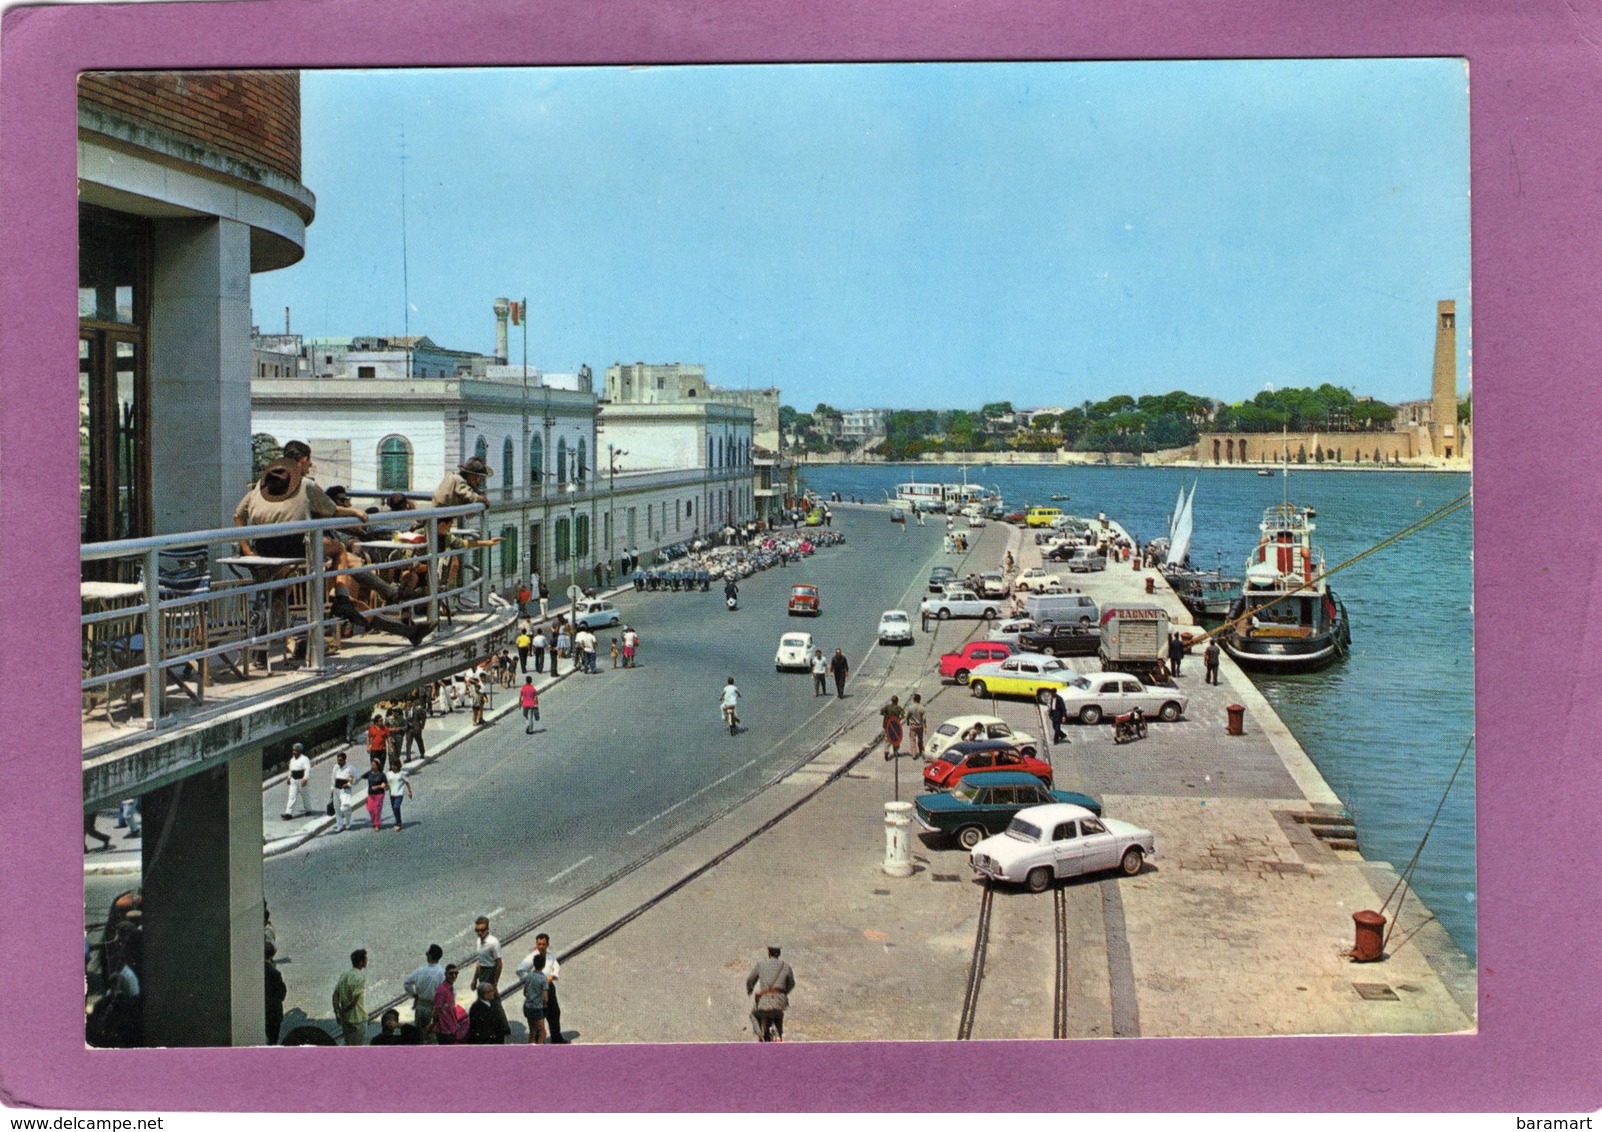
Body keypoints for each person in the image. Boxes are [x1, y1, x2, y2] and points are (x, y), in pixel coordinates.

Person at [745, 946, 795, 1043]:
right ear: (779, 953)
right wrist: (784, 993)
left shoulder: (761, 965)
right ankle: (778, 1036)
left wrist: (750, 990)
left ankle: (761, 1035)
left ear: (769, 953)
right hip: (781, 1001)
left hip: (765, 1001)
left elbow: (750, 980)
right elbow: (791, 983)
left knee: (753, 1015)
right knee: (778, 1014)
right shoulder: (786, 966)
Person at [402, 943, 447, 1037]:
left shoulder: (420, 970)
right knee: (431, 1035)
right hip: (433, 1007)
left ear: (430, 956)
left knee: (418, 1035)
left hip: (420, 1005)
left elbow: (407, 983)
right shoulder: (442, 973)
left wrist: (414, 994)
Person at [332, 949, 368, 1046]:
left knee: (347, 1044)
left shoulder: (344, 975)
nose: (367, 960)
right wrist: (343, 1010)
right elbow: (354, 1002)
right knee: (357, 1050)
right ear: (361, 962)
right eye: (365, 959)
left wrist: (337, 1012)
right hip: (357, 1019)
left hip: (346, 1020)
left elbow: (335, 995)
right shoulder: (360, 977)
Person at [515, 951, 550, 1044]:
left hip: (527, 1007)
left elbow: (525, 992)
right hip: (537, 1008)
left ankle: (530, 1050)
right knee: (543, 1033)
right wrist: (545, 1005)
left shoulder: (529, 976)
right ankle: (539, 1053)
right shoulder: (543, 979)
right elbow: (545, 997)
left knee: (532, 1031)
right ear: (543, 965)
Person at [430, 964, 469, 1044]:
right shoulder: (442, 990)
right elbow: (436, 1011)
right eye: (451, 973)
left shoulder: (450, 989)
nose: (454, 976)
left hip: (451, 1027)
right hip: (445, 1030)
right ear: (446, 974)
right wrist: (436, 1025)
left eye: (456, 973)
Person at [470, 916, 502, 993]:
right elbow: (480, 962)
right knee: (485, 999)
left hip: (490, 972)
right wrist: (474, 979)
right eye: (477, 930)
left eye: (482, 930)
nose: (479, 933)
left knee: (489, 997)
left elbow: (499, 964)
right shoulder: (478, 941)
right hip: (482, 973)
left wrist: (495, 982)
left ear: (487, 929)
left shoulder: (493, 942)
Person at [282, 742, 313, 820]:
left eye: (295, 750)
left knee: (305, 796)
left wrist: (305, 778)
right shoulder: (292, 759)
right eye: (293, 750)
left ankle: (308, 809)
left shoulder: (304, 759)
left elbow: (307, 769)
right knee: (292, 797)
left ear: (299, 751)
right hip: (294, 780)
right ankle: (288, 813)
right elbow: (290, 770)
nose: (293, 752)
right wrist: (289, 778)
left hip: (301, 779)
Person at [264, 941, 287, 1045]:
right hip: (273, 1012)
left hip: (261, 1011)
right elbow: (282, 993)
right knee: (272, 1039)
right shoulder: (274, 973)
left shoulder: (256, 970)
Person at [329, 750, 356, 832]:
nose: (338, 762)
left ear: (344, 760)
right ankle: (339, 825)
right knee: (337, 808)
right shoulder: (336, 767)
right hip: (336, 790)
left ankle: (348, 822)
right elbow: (333, 779)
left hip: (345, 790)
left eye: (340, 760)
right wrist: (332, 790)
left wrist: (349, 784)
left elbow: (355, 778)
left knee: (344, 808)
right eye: (337, 760)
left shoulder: (350, 768)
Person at [385, 754, 413, 831]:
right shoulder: (389, 774)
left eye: (395, 765)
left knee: (396, 807)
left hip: (399, 794)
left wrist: (410, 792)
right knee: (394, 809)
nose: (393, 767)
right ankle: (398, 821)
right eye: (392, 765)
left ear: (398, 766)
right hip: (392, 794)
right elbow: (387, 783)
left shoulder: (402, 774)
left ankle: (398, 823)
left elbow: (407, 782)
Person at [360, 755, 388, 831]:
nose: (372, 766)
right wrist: (353, 779)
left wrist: (378, 786)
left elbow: (385, 784)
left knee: (377, 809)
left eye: (374, 765)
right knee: (370, 809)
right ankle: (374, 821)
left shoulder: (382, 775)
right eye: (371, 764)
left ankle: (377, 824)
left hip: (379, 794)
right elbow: (361, 777)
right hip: (371, 794)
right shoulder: (369, 773)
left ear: (378, 766)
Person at [880, 694, 905, 759]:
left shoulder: (887, 707)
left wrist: (886, 715)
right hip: (895, 726)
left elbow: (881, 712)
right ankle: (896, 752)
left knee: (887, 739)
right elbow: (903, 715)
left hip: (888, 725)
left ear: (891, 700)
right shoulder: (899, 708)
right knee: (896, 738)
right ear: (897, 701)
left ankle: (886, 751)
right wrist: (899, 719)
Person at [905, 693, 928, 757]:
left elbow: (907, 716)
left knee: (912, 740)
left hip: (912, 726)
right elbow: (924, 719)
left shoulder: (910, 708)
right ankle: (921, 751)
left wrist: (907, 722)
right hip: (920, 726)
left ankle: (914, 754)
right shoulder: (922, 708)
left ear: (914, 700)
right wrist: (925, 727)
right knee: (920, 739)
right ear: (919, 700)